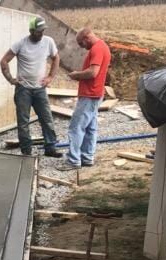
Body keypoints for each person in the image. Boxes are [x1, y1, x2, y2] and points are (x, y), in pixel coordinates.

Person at [0, 17, 62, 158]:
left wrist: (51, 77)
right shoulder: (20, 44)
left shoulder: (48, 42)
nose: (41, 33)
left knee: (47, 119)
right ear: (31, 31)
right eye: (38, 31)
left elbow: (56, 57)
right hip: (23, 90)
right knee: (23, 122)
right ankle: (26, 152)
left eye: (42, 31)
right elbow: (4, 61)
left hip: (40, 89)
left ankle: (50, 148)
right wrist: (11, 80)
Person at [61, 28, 112, 169]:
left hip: (90, 94)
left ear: (86, 38)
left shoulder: (97, 49)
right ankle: (87, 157)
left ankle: (73, 161)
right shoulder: (102, 47)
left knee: (76, 127)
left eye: (81, 44)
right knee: (90, 128)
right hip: (95, 93)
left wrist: (76, 75)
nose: (82, 47)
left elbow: (93, 72)